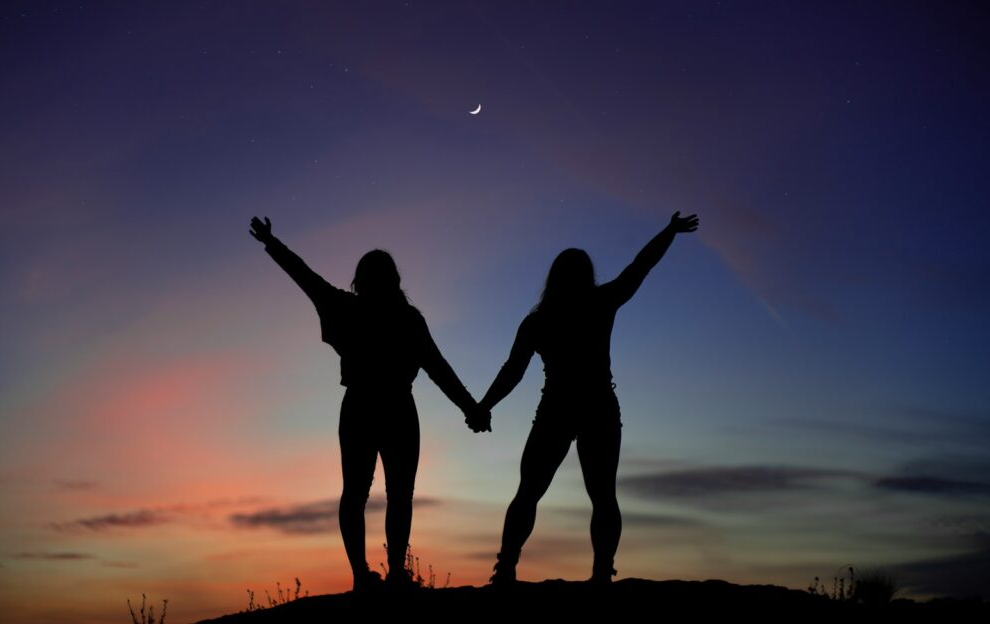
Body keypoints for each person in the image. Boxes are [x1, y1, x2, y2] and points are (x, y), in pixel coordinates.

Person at [249, 216, 490, 591]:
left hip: (365, 407)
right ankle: (386, 573)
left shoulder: (356, 309)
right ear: (394, 279)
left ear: (361, 280)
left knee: (363, 493)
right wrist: (470, 408)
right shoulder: (402, 318)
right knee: (392, 494)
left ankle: (369, 575)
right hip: (392, 409)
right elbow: (438, 369)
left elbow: (304, 276)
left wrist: (272, 242)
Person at [475, 211, 699, 585]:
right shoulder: (598, 302)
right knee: (597, 495)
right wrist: (670, 231)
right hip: (592, 407)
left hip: (562, 409)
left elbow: (512, 371)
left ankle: (509, 567)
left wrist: (484, 406)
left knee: (532, 491)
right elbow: (639, 267)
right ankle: (599, 572)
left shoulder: (540, 319)